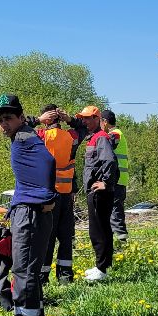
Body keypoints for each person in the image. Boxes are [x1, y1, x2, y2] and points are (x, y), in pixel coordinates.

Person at [0, 93, 56, 316]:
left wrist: (45, 198)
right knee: (28, 269)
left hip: (29, 212)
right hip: (29, 210)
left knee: (23, 270)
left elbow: (48, 162)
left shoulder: (23, 138)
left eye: (8, 118)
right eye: (0, 119)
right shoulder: (24, 132)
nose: (3, 124)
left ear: (19, 117)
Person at [59, 105, 119, 282]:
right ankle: (102, 266)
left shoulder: (100, 138)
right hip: (96, 191)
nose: (84, 121)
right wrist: (68, 118)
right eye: (83, 118)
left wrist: (106, 183)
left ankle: (102, 269)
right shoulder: (93, 137)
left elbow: (109, 161)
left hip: (99, 192)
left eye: (87, 118)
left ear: (96, 119)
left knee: (98, 230)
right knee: (101, 229)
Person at [30, 105, 78, 285]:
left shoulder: (41, 136)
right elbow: (82, 128)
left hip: (47, 195)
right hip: (66, 195)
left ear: (47, 118)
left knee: (47, 237)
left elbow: (20, 129)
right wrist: (69, 119)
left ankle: (42, 277)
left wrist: (37, 119)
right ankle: (65, 276)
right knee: (65, 237)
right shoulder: (71, 137)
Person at [101, 109, 129, 240]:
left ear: (105, 122)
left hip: (116, 180)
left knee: (115, 212)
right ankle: (115, 241)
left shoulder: (116, 134)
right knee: (113, 211)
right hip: (119, 179)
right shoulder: (118, 134)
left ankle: (121, 242)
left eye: (100, 121)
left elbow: (107, 146)